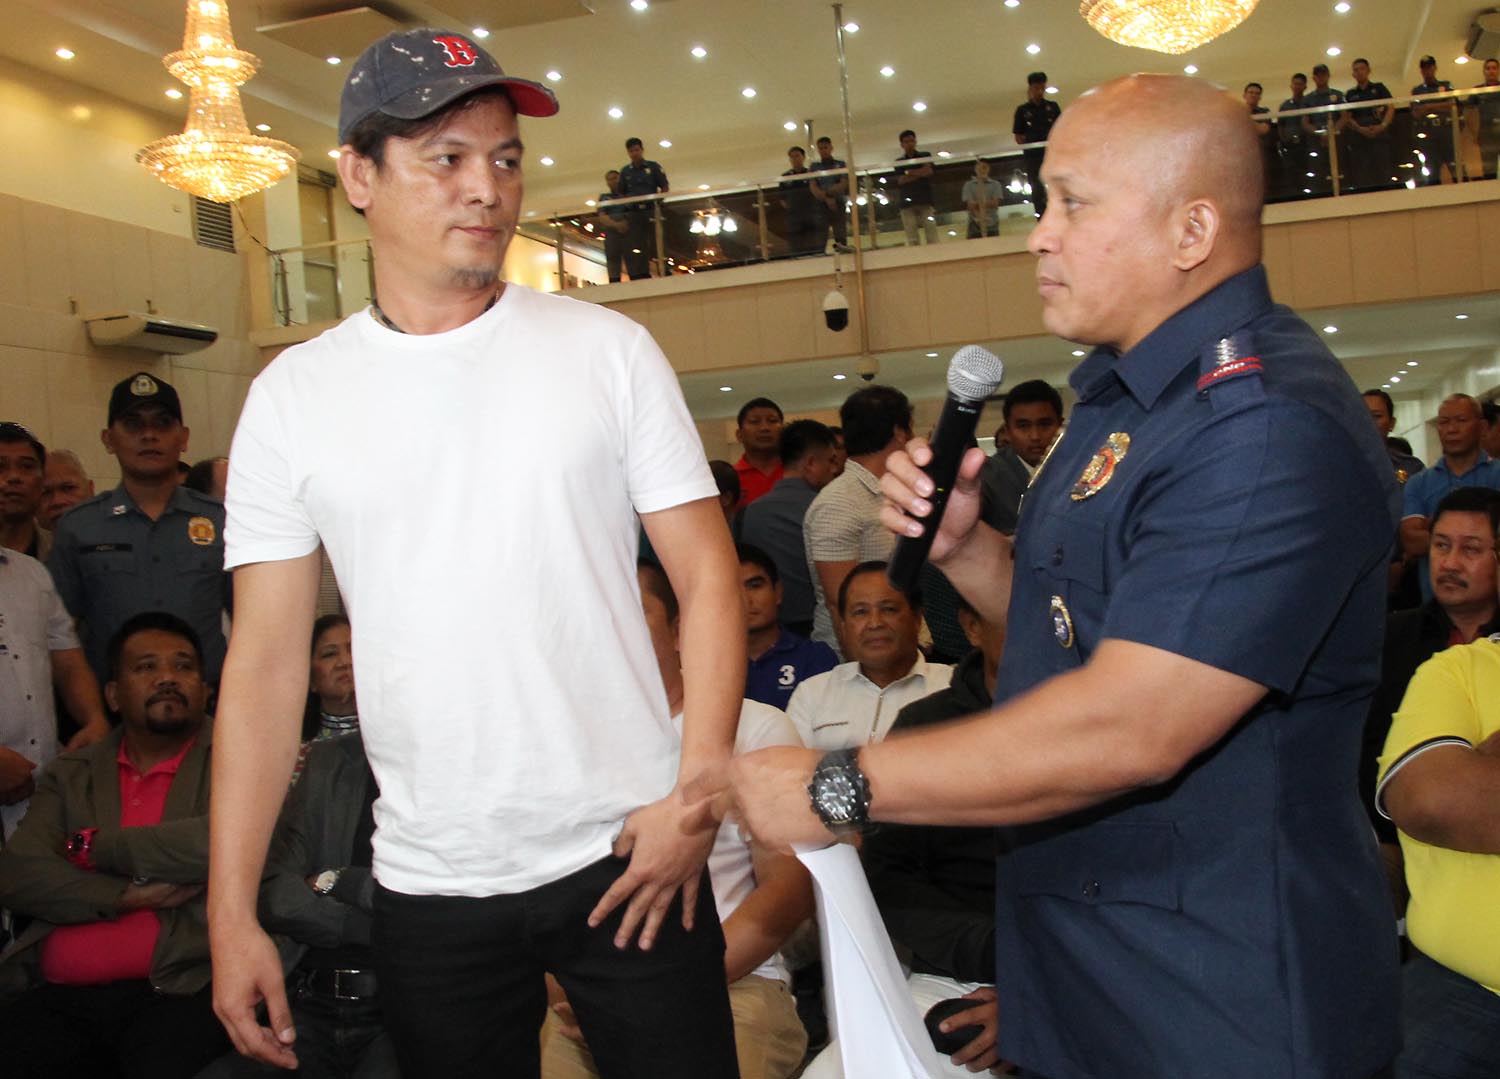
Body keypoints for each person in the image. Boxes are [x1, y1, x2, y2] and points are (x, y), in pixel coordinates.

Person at [716, 74, 1401, 1079]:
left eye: (1073, 203)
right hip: (1084, 967)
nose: (1040, 234)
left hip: (1218, 995)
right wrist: (970, 552)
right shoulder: (1124, 401)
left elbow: (1135, 721)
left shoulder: (1263, 426)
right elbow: (1085, 632)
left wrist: (837, 781)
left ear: (1190, 229)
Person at [209, 29, 742, 1079]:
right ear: (358, 176)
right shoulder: (292, 399)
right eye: (445, 158)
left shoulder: (605, 351)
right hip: (428, 881)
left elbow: (709, 579)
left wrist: (695, 799)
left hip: (632, 852)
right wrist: (230, 910)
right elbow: (266, 667)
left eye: (504, 159)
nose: (485, 189)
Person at [541, 561, 812, 1079]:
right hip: (586, 995)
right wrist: (566, 985)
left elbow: (789, 890)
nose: (611, 626)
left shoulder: (757, 727)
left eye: (632, 611)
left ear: (681, 628)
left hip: (732, 983)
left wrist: (680, 986)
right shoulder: (567, 742)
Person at [0, 612, 227, 1078]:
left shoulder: (234, 759)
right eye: (146, 667)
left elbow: (220, 840)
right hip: (59, 993)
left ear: (206, 690)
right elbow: (18, 873)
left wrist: (92, 849)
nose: (167, 677)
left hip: (180, 989)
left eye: (183, 666)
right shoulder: (73, 772)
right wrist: (124, 896)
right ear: (113, 695)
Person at [801, 598, 1005, 1079]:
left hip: (1083, 984)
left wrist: (1039, 998)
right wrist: (990, 954)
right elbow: (890, 873)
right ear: (972, 628)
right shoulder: (926, 725)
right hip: (953, 972)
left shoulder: (1115, 727)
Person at [196, 728, 396, 1079]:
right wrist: (358, 924)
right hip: (309, 1002)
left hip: (402, 1011)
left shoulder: (459, 767)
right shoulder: (331, 759)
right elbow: (275, 891)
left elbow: (434, 904)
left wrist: (337, 880)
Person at [1362, 486, 1500, 911]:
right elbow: (1367, 752)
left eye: (1471, 549)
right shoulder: (1389, 637)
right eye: (1441, 545)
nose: (1451, 563)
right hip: (1393, 837)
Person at [47, 372, 231, 685]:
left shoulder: (221, 521)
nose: (148, 435)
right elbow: (58, 636)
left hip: (210, 706)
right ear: (108, 439)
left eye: (162, 423)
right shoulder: (79, 528)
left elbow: (253, 622)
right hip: (114, 714)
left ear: (183, 437)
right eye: (133, 424)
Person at [1376, 620, 1500, 1077]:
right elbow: (1432, 800)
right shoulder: (1457, 671)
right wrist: (1462, 790)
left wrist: (1483, 773)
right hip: (1464, 992)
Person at [0, 546, 109, 841]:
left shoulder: (30, 572)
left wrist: (94, 719)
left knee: (32, 881)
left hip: (38, 788)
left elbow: (67, 658)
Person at [786, 562, 951, 750]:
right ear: (843, 626)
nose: (874, 623)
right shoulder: (812, 694)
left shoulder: (952, 687)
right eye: (860, 612)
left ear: (917, 619)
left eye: (889, 609)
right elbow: (793, 772)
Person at [803, 386, 912, 653]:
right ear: (899, 432)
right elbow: (839, 602)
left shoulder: (888, 491)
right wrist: (859, 673)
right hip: (854, 659)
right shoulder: (839, 502)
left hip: (892, 648)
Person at [738, 419, 839, 636]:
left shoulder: (750, 512)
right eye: (830, 461)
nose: (834, 470)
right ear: (811, 463)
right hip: (819, 628)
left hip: (765, 633)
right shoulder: (825, 509)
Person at [1400, 394, 1500, 602]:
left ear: (1481, 426)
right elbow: (1412, 541)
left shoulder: (1497, 474)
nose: (1452, 429)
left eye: (1461, 421)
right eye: (1444, 422)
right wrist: (1475, 541)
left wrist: (1434, 531)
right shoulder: (1419, 482)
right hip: (1435, 609)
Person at [738, 543, 838, 712]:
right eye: (733, 589)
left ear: (778, 592)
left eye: (755, 586)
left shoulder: (814, 658)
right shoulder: (705, 664)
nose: (747, 600)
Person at [978, 379, 1064, 536]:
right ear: (1008, 431)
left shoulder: (1082, 468)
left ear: (1060, 426)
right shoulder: (988, 477)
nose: (1035, 436)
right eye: (1023, 426)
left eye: (1045, 424)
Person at [618, 136, 669, 280]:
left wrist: (658, 202)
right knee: (637, 242)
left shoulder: (653, 167)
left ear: (641, 150)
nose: (634, 153)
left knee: (656, 239)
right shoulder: (625, 171)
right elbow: (621, 192)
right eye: (631, 151)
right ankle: (641, 272)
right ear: (628, 153)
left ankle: (664, 269)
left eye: (637, 150)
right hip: (634, 212)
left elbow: (664, 186)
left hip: (651, 210)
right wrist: (627, 205)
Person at [1342, 58, 1396, 192]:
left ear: (1368, 70)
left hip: (1379, 135)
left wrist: (1382, 126)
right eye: (1356, 70)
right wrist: (1360, 129)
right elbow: (1347, 116)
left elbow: (1390, 107)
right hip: (1359, 138)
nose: (1359, 72)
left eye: (1362, 69)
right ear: (1353, 74)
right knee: (1361, 173)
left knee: (1383, 170)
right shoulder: (1350, 94)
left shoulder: (1379, 88)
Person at [1013, 71, 1060, 219]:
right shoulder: (1023, 110)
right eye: (1036, 88)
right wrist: (1029, 146)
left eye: (1042, 88)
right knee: (1037, 186)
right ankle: (1042, 216)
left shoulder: (1052, 107)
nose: (1039, 91)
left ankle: (1059, 213)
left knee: (1056, 183)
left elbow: (1061, 128)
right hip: (1033, 156)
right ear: (1030, 89)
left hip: (1052, 153)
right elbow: (1018, 135)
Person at [0, 422, 50, 559]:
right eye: (0, 467)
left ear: (43, 479)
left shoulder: (63, 553)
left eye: (27, 466)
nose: (14, 477)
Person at [1411, 55, 1457, 186]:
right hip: (1428, 133)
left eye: (1430, 67)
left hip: (1445, 130)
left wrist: (1429, 106)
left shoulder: (1446, 85)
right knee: (1431, 168)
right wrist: (1439, 106)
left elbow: (1452, 105)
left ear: (1435, 68)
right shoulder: (1417, 91)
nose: (1427, 71)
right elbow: (1416, 112)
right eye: (1424, 68)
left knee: (1454, 164)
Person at [734, 397, 785, 508]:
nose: (764, 428)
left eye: (772, 421)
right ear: (739, 435)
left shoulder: (798, 473)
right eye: (754, 422)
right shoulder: (731, 478)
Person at [1304, 63, 1345, 195]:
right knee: (1318, 169)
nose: (1320, 77)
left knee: (1339, 167)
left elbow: (1345, 116)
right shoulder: (1308, 99)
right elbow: (1305, 121)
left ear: (1328, 76)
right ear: (1314, 78)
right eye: (1317, 75)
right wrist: (1320, 133)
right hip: (1316, 141)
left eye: (1323, 74)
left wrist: (1331, 133)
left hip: (1337, 138)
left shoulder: (1337, 95)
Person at [779, 146, 825, 257]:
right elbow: (782, 198)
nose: (795, 159)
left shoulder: (810, 174)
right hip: (794, 215)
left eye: (797, 156)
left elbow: (818, 191)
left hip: (811, 213)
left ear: (803, 157)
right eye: (792, 157)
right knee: (795, 241)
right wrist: (791, 209)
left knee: (813, 239)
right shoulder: (785, 177)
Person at [894, 129, 937, 246]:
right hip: (907, 203)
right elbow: (901, 180)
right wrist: (919, 173)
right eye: (907, 142)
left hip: (925, 200)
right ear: (902, 144)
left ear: (915, 142)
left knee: (931, 234)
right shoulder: (899, 162)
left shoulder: (925, 156)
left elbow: (928, 171)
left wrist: (909, 172)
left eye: (912, 141)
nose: (910, 144)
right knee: (911, 236)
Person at [809, 136, 851, 252]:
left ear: (831, 148)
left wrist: (829, 194)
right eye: (821, 148)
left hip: (838, 203)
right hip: (821, 205)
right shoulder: (814, 167)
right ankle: (820, 255)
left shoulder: (840, 164)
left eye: (825, 147)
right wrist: (827, 198)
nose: (823, 150)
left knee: (840, 232)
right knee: (821, 233)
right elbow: (813, 187)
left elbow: (843, 184)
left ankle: (842, 253)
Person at [1276, 72, 1311, 199]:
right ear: (1291, 85)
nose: (1297, 86)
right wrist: (1284, 139)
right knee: (1291, 172)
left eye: (1300, 84)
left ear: (1305, 86)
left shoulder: (1309, 103)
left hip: (1306, 145)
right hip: (1290, 146)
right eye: (1295, 84)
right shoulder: (1285, 106)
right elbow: (1280, 125)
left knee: (1307, 170)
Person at [596, 169, 630, 283]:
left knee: (632, 258)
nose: (612, 181)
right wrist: (616, 225)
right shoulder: (604, 197)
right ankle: (614, 281)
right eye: (609, 179)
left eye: (615, 178)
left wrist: (626, 223)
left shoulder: (629, 195)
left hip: (628, 234)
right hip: (612, 234)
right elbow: (602, 216)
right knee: (613, 260)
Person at [1470, 58, 1500, 179]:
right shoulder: (1477, 91)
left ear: (1498, 70)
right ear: (1484, 71)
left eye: (1494, 68)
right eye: (1488, 68)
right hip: (1487, 132)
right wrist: (1474, 133)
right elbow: (1469, 112)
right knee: (1489, 168)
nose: (1491, 71)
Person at [960, 159, 1003, 239]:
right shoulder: (968, 185)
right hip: (974, 223)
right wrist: (979, 214)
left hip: (992, 222)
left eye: (984, 167)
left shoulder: (995, 184)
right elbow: (970, 206)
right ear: (975, 169)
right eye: (979, 168)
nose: (981, 170)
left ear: (988, 168)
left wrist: (977, 204)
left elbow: (995, 203)